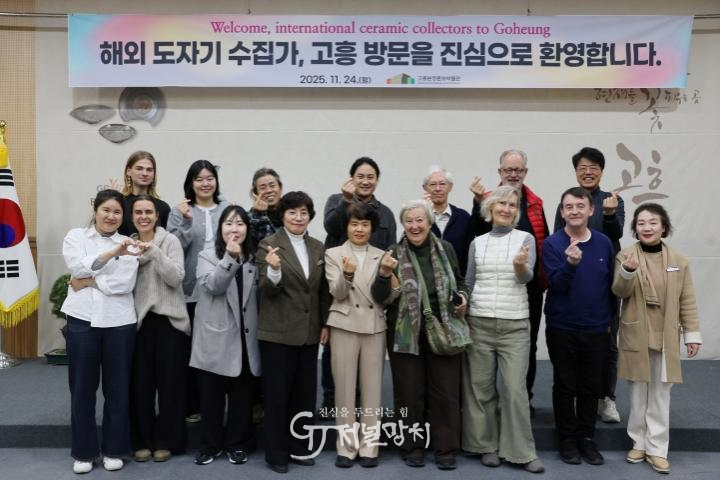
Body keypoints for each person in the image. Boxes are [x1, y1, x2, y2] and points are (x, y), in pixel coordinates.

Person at [371, 200, 468, 470]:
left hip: (445, 330)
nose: (414, 226)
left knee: (446, 393)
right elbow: (380, 297)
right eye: (409, 221)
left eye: (419, 220)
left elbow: (460, 281)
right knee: (409, 394)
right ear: (403, 225)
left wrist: (463, 297)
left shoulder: (446, 249)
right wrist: (384, 273)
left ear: (429, 223)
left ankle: (445, 449)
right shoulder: (393, 252)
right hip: (405, 334)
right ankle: (411, 447)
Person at [612, 203, 701, 474]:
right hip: (636, 333)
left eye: (653, 222)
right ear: (635, 228)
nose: (647, 227)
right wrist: (628, 271)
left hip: (666, 336)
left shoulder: (678, 261)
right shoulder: (626, 256)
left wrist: (692, 335)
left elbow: (687, 300)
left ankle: (657, 449)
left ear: (664, 227)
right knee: (638, 393)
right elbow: (619, 291)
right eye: (641, 223)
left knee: (661, 395)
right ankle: (638, 443)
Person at [462, 186, 544, 474]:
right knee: (480, 389)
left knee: (514, 390)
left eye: (512, 205)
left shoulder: (525, 239)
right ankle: (484, 446)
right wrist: (462, 302)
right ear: (490, 208)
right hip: (479, 323)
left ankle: (521, 452)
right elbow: (469, 282)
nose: (506, 209)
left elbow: (526, 278)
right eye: (501, 204)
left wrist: (520, 266)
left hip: (515, 326)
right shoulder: (477, 243)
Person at [61, 189, 141, 474]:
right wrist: (111, 255)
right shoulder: (76, 237)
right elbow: (76, 267)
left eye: (117, 212)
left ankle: (114, 449)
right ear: (95, 209)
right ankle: (84, 452)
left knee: (117, 389)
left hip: (119, 322)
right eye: (106, 210)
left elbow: (124, 284)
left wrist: (89, 282)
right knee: (82, 389)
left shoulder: (130, 244)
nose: (111, 216)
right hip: (82, 320)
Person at [255, 191, 331, 474]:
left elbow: (322, 291)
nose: (298, 217)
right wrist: (274, 270)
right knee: (277, 396)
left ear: (310, 216)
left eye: (303, 212)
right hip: (277, 333)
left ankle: (300, 448)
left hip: (309, 332)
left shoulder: (317, 247)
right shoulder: (268, 244)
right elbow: (266, 289)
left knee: (304, 395)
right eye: (292, 212)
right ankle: (276, 454)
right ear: (282, 215)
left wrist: (325, 324)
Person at [468, 149, 549, 410]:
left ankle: (523, 399)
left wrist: (541, 280)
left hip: (528, 288)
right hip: (493, 289)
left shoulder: (535, 203)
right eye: (508, 170)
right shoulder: (490, 200)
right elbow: (477, 234)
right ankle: (489, 404)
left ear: (525, 172)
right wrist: (477, 202)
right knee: (486, 356)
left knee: (527, 345)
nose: (513, 174)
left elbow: (544, 241)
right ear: (499, 171)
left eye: (518, 170)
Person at [543, 187, 615, 466]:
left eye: (580, 206)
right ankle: (567, 440)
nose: (574, 211)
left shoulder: (603, 243)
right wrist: (571, 264)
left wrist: (609, 321)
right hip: (562, 327)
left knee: (590, 386)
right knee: (565, 385)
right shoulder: (552, 244)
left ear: (591, 210)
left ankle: (586, 438)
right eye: (569, 207)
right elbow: (555, 285)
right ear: (562, 212)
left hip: (596, 327)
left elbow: (610, 286)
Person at [324, 203, 399, 469]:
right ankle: (346, 447)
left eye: (365, 224)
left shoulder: (383, 255)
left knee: (372, 390)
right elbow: (337, 292)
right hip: (344, 325)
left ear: (372, 228)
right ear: (346, 227)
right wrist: (347, 274)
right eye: (354, 224)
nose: (359, 229)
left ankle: (370, 447)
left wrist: (388, 277)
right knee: (344, 390)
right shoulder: (333, 254)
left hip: (374, 325)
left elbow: (387, 298)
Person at [553, 146, 625, 423]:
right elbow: (557, 238)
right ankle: (576, 395)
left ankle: (606, 398)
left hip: (604, 279)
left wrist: (609, 214)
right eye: (582, 168)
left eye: (593, 167)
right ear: (575, 172)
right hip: (572, 276)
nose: (588, 172)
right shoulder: (568, 201)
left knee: (608, 342)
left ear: (602, 172)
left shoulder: (612, 200)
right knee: (571, 341)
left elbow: (616, 233)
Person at [321, 157, 397, 413]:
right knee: (336, 361)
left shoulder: (385, 213)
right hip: (341, 287)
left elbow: (390, 248)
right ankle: (331, 399)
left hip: (373, 292)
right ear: (351, 178)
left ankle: (367, 428)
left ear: (377, 180)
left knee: (371, 383)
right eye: (360, 176)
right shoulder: (336, 200)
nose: (365, 181)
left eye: (370, 177)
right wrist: (345, 201)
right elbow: (331, 228)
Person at [190, 205, 261, 466]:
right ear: (220, 228)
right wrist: (230, 258)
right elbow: (213, 286)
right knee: (211, 399)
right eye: (229, 223)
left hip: (245, 337)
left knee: (242, 400)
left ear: (247, 229)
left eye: (240, 223)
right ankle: (210, 446)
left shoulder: (254, 258)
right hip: (215, 337)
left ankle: (236, 445)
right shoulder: (207, 255)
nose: (234, 229)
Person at [128, 195, 190, 464]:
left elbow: (176, 278)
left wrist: (153, 252)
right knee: (140, 387)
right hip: (139, 324)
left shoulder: (169, 241)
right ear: (132, 217)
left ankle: (167, 441)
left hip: (169, 322)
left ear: (157, 216)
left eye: (148, 212)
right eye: (138, 212)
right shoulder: (127, 245)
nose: (143, 217)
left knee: (170, 387)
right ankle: (142, 441)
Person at [167, 160, 229, 422]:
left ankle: (215, 405)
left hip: (221, 291)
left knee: (216, 349)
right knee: (189, 351)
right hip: (190, 291)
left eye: (209, 178)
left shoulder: (227, 209)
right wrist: (185, 221)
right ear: (190, 183)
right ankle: (192, 406)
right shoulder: (179, 211)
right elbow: (173, 249)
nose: (205, 184)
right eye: (199, 179)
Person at [422, 165, 474, 274]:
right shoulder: (419, 218)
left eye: (442, 184)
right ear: (425, 188)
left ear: (450, 187)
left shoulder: (463, 217)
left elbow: (470, 254)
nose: (438, 189)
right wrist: (425, 213)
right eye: (432, 184)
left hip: (457, 280)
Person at [117, 151, 171, 236]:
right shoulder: (119, 204)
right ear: (128, 171)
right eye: (139, 169)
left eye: (149, 170)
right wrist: (111, 201)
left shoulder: (163, 207)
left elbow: (167, 240)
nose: (145, 173)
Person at [248, 167, 283, 244]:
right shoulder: (250, 218)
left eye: (272, 185)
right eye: (263, 188)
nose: (269, 190)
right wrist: (259, 214)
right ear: (255, 193)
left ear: (280, 188)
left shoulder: (290, 212)